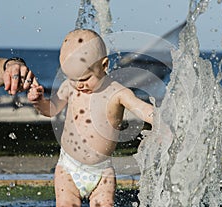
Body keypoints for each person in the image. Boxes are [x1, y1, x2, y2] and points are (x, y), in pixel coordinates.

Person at [27, 29, 154, 207]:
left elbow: (140, 108)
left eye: (85, 78)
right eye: (71, 78)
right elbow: (52, 109)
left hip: (101, 171)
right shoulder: (68, 87)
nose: (79, 84)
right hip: (68, 168)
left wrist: (161, 120)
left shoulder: (117, 92)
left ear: (104, 66)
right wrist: (39, 101)